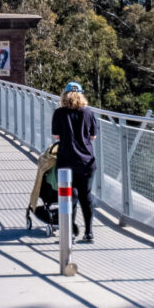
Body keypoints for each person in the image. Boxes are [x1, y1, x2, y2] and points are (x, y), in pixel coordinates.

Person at [51, 81, 98, 243]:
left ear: (65, 95)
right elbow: (93, 137)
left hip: (65, 161)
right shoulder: (88, 113)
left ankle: (69, 233)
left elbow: (56, 136)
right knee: (86, 196)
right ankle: (89, 232)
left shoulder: (59, 113)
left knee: (69, 197)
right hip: (86, 162)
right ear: (81, 95)